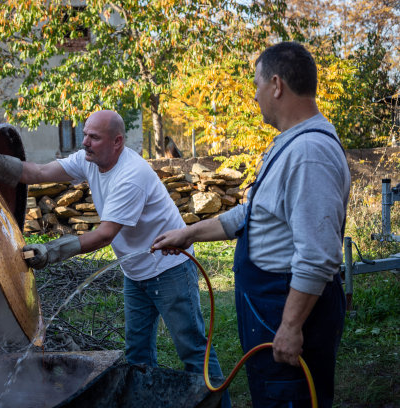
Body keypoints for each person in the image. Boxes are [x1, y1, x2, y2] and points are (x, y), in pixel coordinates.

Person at [0, 110, 231, 407]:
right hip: (135, 271)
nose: (85, 142)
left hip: (171, 268)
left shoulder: (131, 175)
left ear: (117, 142)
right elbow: (38, 173)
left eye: (94, 137)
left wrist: (51, 251)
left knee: (192, 348)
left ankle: (219, 404)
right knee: (138, 352)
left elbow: (104, 235)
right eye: (85, 134)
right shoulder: (89, 159)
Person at [152, 42, 350, 408]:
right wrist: (189, 232)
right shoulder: (288, 145)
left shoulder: (309, 154)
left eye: (257, 85)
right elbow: (252, 213)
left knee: (289, 397)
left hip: (286, 313)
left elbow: (319, 255)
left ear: (276, 85)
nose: (255, 96)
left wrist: (290, 327)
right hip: (269, 309)